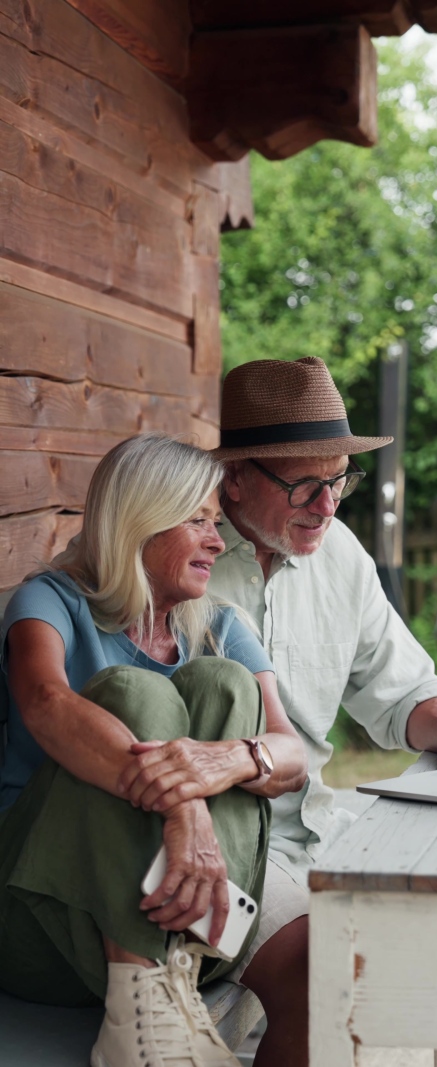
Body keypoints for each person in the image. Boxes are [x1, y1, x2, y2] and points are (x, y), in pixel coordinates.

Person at [208, 355, 437, 1067]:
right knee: (329, 976)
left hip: (321, 826)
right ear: (235, 478)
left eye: (339, 480)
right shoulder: (180, 558)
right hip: (224, 848)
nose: (329, 504)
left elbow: (402, 685)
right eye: (307, 484)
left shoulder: (338, 553)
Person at [0, 432, 308, 1067]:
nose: (218, 542)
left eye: (216, 523)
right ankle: (140, 1008)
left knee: (221, 684)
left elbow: (291, 752)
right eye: (197, 520)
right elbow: (46, 704)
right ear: (139, 519)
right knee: (130, 694)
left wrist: (227, 760)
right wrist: (183, 807)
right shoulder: (49, 602)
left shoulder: (220, 627)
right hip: (46, 918)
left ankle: (167, 974)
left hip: (199, 925)